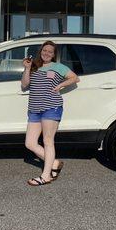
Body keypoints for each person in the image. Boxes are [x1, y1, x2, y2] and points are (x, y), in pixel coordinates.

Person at [21, 40, 80, 186]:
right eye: (44, 50)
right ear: (41, 51)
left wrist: (60, 85)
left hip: (51, 107)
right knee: (30, 143)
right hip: (34, 109)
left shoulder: (58, 67)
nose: (46, 53)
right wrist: (27, 68)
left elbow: (75, 78)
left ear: (54, 55)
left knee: (48, 141)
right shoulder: (34, 66)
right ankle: (54, 163)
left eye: (50, 52)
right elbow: (24, 85)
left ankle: (46, 175)